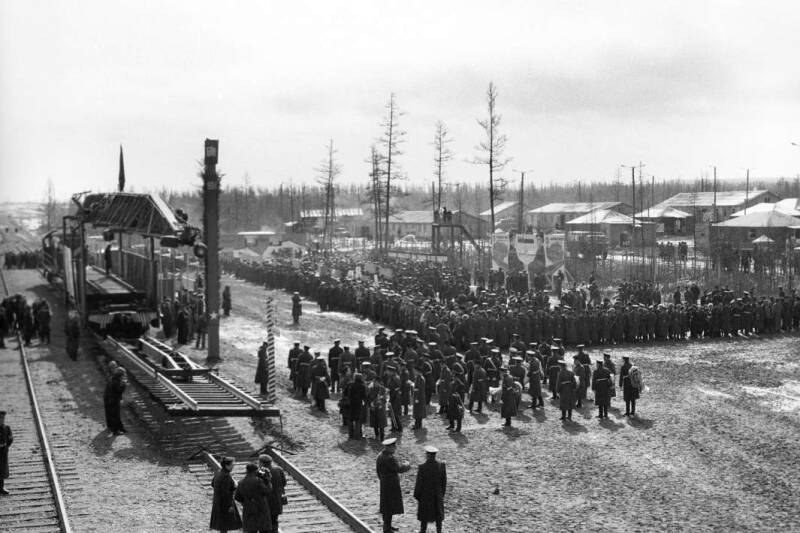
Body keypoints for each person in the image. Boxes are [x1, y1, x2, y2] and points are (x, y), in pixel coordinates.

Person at [376, 437, 411, 533]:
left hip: (384, 483)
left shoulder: (380, 456)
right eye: (393, 447)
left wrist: (383, 480)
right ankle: (386, 529)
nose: (395, 448)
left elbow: (378, 471)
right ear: (389, 447)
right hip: (392, 485)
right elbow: (399, 469)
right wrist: (407, 465)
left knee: (386, 506)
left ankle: (387, 526)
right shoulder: (390, 458)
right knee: (390, 507)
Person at [414, 445, 447, 533]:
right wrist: (441, 494)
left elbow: (419, 484)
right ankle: (439, 530)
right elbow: (444, 482)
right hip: (437, 495)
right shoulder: (441, 465)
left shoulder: (422, 467)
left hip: (425, 495)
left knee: (424, 515)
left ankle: (423, 530)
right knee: (438, 514)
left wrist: (417, 495)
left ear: (427, 455)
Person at [235, 462, 272, 533]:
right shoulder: (259, 481)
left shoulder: (241, 482)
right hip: (261, 509)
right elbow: (268, 491)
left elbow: (237, 497)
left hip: (248, 509)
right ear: (255, 470)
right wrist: (268, 481)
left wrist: (245, 502)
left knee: (251, 530)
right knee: (264, 530)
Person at [210, 456, 242, 532]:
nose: (233, 467)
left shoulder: (218, 472)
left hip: (218, 501)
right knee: (225, 525)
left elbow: (212, 484)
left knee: (222, 525)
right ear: (227, 465)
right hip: (225, 503)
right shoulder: (226, 476)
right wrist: (230, 505)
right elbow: (226, 493)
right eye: (232, 465)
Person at [258, 455, 286, 533]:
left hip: (265, 501)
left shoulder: (260, 472)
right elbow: (284, 483)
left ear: (261, 463)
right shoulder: (279, 469)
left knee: (264, 522)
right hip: (277, 499)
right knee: (274, 520)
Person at [104, 367, 128, 435]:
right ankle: (115, 430)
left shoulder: (113, 378)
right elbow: (119, 391)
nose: (124, 376)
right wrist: (124, 384)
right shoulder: (116, 381)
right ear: (120, 375)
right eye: (123, 375)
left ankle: (113, 426)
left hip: (108, 398)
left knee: (109, 413)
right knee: (115, 414)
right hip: (112, 399)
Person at [347, 373, 367, 439]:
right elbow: (364, 396)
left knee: (350, 419)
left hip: (351, 404)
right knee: (358, 420)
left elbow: (346, 393)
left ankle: (350, 435)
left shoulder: (350, 384)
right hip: (359, 404)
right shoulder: (363, 386)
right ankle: (357, 436)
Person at [0, 411, 12, 495]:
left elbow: (10, 439)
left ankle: (1, 488)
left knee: (2, 469)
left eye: (3, 418)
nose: (2, 420)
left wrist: (6, 446)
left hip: (3, 451)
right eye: (0, 418)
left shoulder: (7, 428)